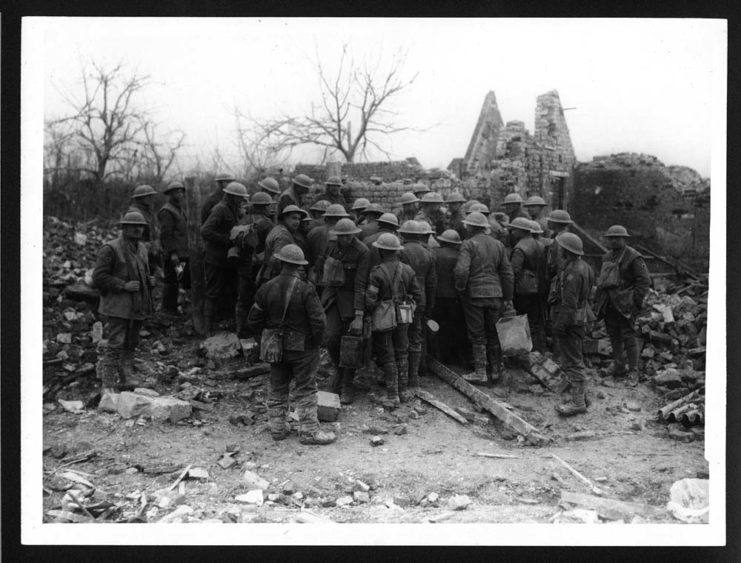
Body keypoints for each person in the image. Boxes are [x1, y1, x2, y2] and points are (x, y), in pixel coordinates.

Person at [247, 244, 336, 445]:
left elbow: (253, 320)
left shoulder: (266, 288)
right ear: (299, 265)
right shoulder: (306, 289)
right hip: (303, 346)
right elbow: (319, 321)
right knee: (305, 387)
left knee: (278, 385)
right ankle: (309, 431)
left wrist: (266, 337)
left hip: (275, 347)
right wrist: (317, 343)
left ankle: (277, 428)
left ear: (280, 262)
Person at [92, 211, 155, 394]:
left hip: (137, 306)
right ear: (124, 228)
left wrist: (149, 281)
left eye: (141, 226)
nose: (138, 229)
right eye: (133, 226)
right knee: (115, 343)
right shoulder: (110, 249)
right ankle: (108, 383)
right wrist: (123, 285)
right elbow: (98, 277)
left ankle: (127, 377)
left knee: (132, 342)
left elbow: (144, 270)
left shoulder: (142, 248)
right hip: (118, 306)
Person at [454, 211, 514, 384]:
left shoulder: (468, 244)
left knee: (477, 333)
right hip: (496, 294)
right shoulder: (498, 245)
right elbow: (507, 273)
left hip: (475, 295)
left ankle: (480, 372)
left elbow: (461, 270)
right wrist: (507, 296)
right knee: (494, 332)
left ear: (471, 227)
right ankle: (496, 371)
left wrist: (461, 289)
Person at [315, 218, 370, 404]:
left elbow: (361, 284)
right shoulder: (331, 246)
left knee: (350, 343)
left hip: (351, 301)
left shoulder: (362, 251)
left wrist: (359, 315)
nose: (345, 240)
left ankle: (347, 384)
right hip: (331, 298)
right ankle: (338, 371)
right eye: (341, 236)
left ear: (354, 235)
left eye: (348, 237)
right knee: (330, 337)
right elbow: (319, 266)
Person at [365, 233, 422, 406]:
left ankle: (392, 395)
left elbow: (370, 299)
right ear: (397, 251)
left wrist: (369, 312)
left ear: (381, 251)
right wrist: (408, 307)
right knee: (402, 352)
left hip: (384, 316)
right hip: (404, 315)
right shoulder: (408, 270)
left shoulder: (377, 272)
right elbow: (417, 295)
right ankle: (403, 391)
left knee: (387, 355)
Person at [594, 225, 650, 385]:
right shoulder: (607, 257)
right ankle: (618, 365)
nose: (613, 240)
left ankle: (633, 371)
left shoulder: (634, 257)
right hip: (610, 302)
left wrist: (636, 302)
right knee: (613, 335)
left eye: (616, 237)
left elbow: (644, 281)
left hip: (626, 303)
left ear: (624, 239)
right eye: (610, 238)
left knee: (629, 336)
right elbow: (603, 281)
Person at [549, 233, 595, 416]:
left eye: (560, 247)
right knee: (575, 358)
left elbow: (569, 304)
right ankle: (582, 397)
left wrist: (559, 326)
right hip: (579, 318)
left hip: (571, 321)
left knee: (573, 362)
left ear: (565, 251)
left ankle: (577, 403)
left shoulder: (572, 273)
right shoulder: (585, 267)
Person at [201, 181, 247, 334]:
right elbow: (206, 231)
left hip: (227, 260)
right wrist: (228, 240)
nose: (242, 201)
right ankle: (207, 329)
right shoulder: (220, 209)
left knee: (229, 292)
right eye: (240, 198)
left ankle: (225, 323)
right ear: (232, 197)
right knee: (212, 293)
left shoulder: (232, 210)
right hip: (215, 259)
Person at [398, 220, 437, 390]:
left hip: (405, 302)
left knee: (402, 334)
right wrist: (429, 305)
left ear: (403, 234)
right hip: (421, 301)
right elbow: (432, 283)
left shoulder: (401, 252)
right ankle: (417, 373)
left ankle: (404, 375)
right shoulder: (427, 253)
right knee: (416, 334)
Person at [233, 191, 275, 337]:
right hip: (259, 267)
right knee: (258, 301)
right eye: (268, 206)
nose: (270, 208)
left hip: (244, 266)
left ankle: (241, 333)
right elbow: (270, 245)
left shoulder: (245, 220)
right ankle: (254, 334)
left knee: (243, 301)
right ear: (263, 207)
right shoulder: (267, 224)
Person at [509, 217, 546, 352]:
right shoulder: (540, 245)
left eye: (514, 229)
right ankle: (539, 351)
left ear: (521, 231)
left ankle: (525, 352)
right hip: (539, 287)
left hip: (523, 290)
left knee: (522, 320)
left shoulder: (519, 248)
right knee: (536, 321)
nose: (512, 232)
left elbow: (513, 271)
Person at [431, 229, 468, 367]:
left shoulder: (434, 253)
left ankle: (439, 357)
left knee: (437, 327)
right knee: (456, 327)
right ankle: (457, 358)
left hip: (437, 296)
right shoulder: (460, 256)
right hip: (455, 298)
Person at [157, 181, 190, 316]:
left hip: (183, 253)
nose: (180, 194)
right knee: (172, 281)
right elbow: (166, 235)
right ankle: (168, 310)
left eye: (181, 191)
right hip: (176, 255)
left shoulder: (178, 208)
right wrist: (172, 253)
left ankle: (177, 308)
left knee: (180, 279)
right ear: (170, 194)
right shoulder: (167, 211)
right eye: (176, 192)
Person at [258, 205, 305, 287]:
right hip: (275, 279)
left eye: (299, 219)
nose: (297, 222)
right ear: (285, 218)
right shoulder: (283, 235)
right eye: (294, 218)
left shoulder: (279, 229)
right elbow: (277, 260)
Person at [307, 203, 349, 284]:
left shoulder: (314, 231)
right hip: (333, 278)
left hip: (314, 275)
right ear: (341, 219)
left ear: (326, 217)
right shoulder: (341, 234)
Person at [127, 184, 162, 276]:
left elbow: (154, 229)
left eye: (151, 196)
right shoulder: (134, 213)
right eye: (148, 196)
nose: (151, 198)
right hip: (139, 249)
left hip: (150, 249)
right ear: (140, 198)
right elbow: (130, 234)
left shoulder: (149, 211)